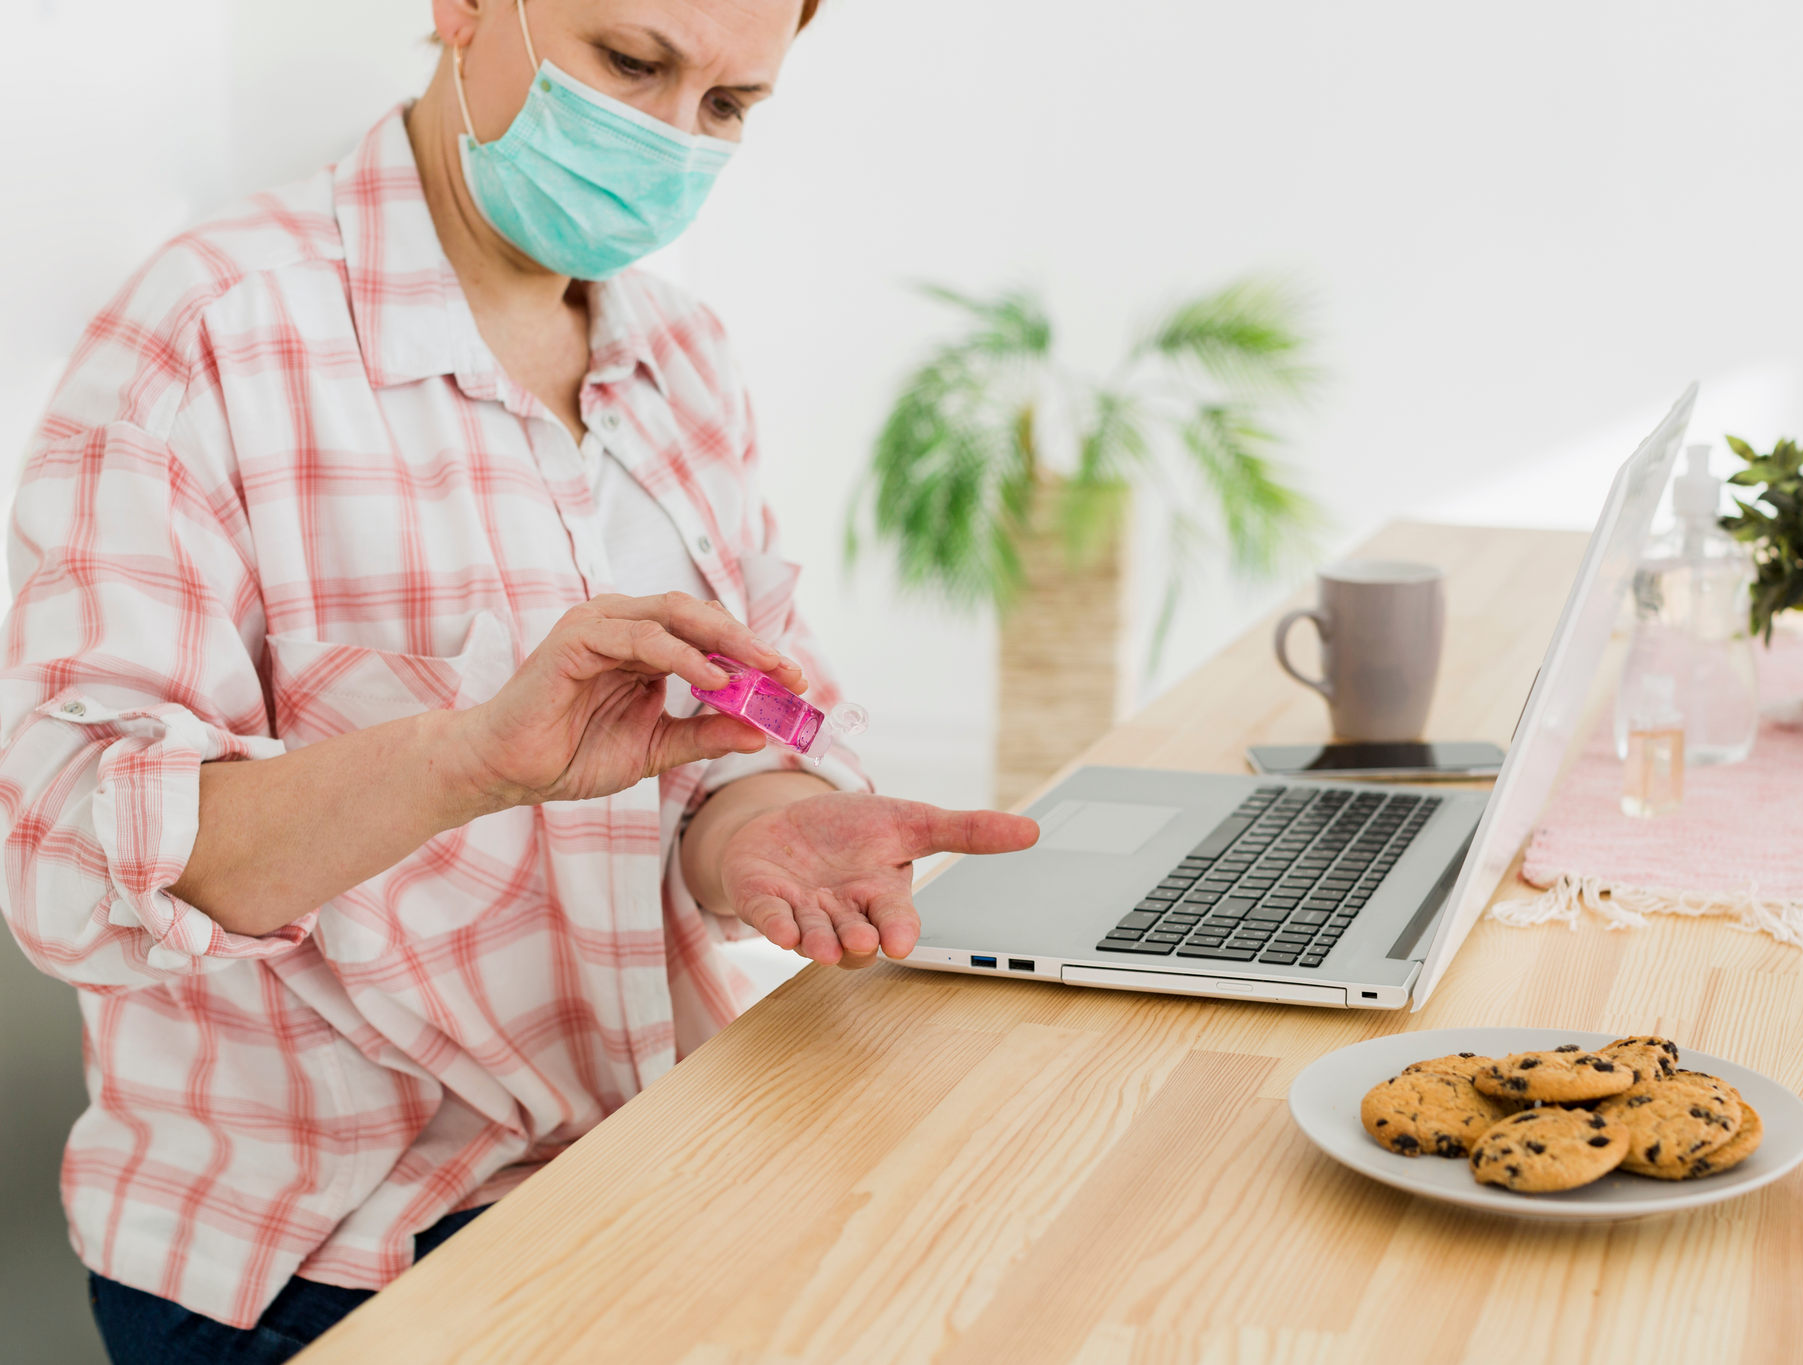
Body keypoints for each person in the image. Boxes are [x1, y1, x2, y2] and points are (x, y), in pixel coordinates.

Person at [0, 1, 1038, 1360]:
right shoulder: (209, 332)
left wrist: (766, 826)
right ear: (465, 8)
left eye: (727, 107)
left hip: (631, 1171)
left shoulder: (680, 358)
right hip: (319, 1255)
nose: (668, 139)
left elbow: (730, 742)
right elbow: (67, 863)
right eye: (631, 61)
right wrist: (470, 757)